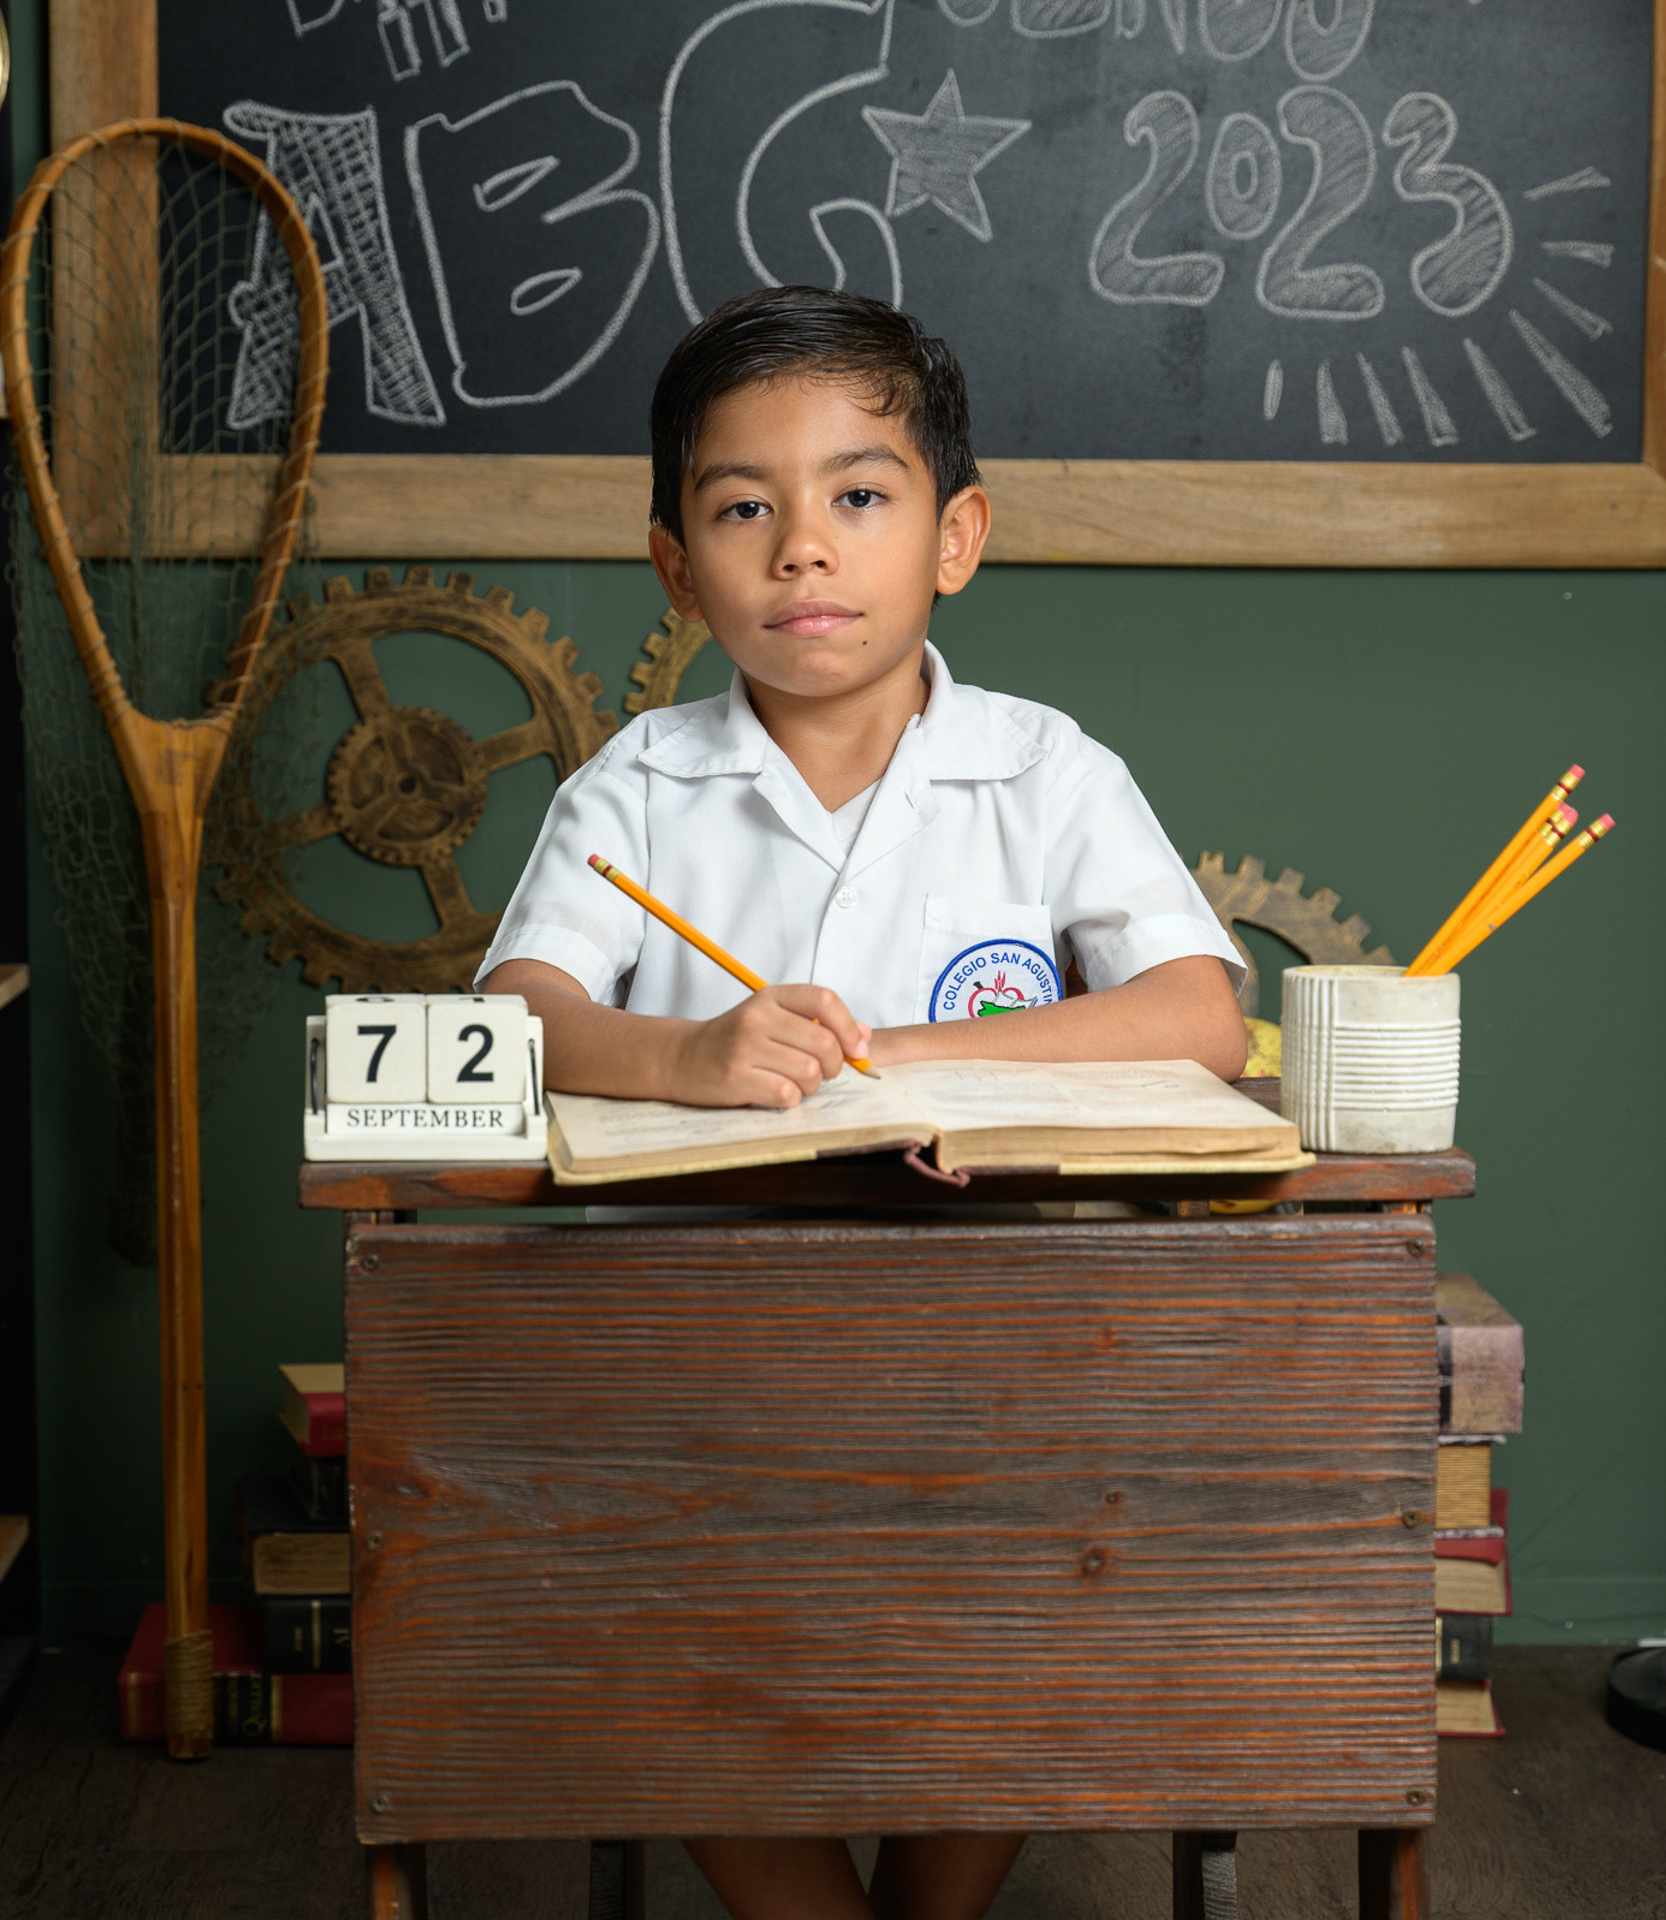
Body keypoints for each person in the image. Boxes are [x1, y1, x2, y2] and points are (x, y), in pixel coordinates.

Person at [479, 285, 1246, 1920]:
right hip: (689, 1363)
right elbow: (517, 1020)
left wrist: (913, 1055)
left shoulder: (1047, 772)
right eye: (743, 508)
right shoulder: (635, 785)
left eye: (859, 496)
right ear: (678, 568)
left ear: (955, 536)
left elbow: (1203, 1015)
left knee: (1053, 1583)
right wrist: (686, 1057)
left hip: (1006, 1355)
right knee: (646, 1618)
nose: (801, 550)